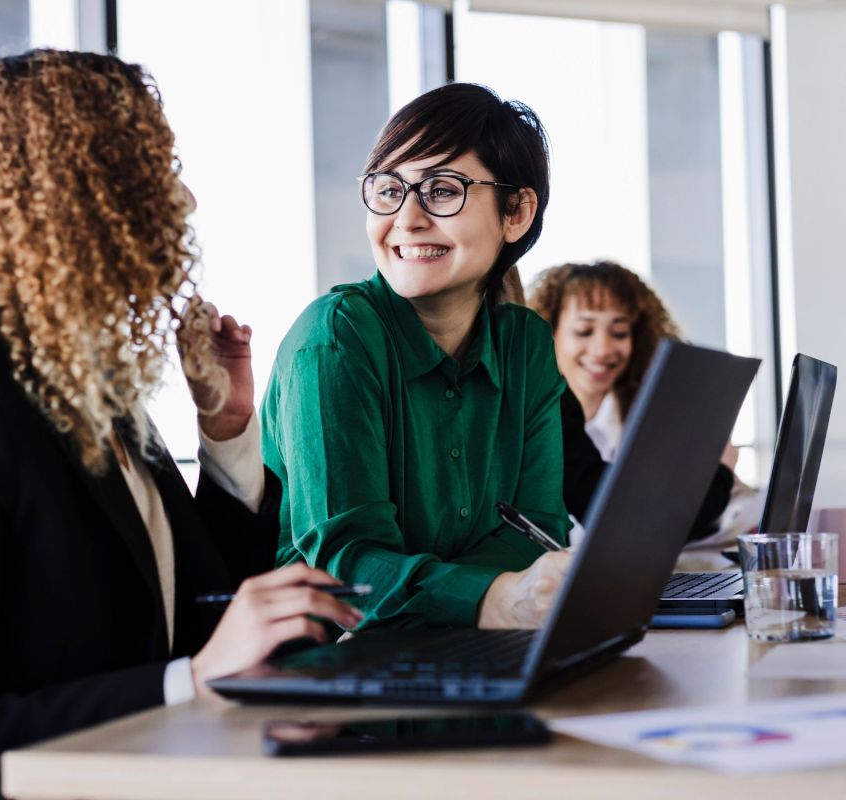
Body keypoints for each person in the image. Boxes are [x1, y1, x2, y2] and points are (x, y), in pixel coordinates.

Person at [0, 49, 361, 772]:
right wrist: (192, 685)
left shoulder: (84, 388)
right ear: (81, 198)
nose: (185, 202)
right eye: (156, 174)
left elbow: (192, 610)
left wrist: (227, 432)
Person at [260, 83, 572, 633]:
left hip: (470, 650)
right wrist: (494, 597)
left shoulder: (525, 345)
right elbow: (347, 569)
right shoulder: (335, 338)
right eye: (388, 190)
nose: (406, 219)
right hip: (336, 674)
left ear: (516, 212)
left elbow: (537, 530)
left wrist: (485, 596)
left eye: (442, 190)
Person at [527, 260, 736, 537]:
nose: (602, 349)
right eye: (584, 331)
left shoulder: (655, 421)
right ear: (549, 333)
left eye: (619, 333)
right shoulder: (533, 421)